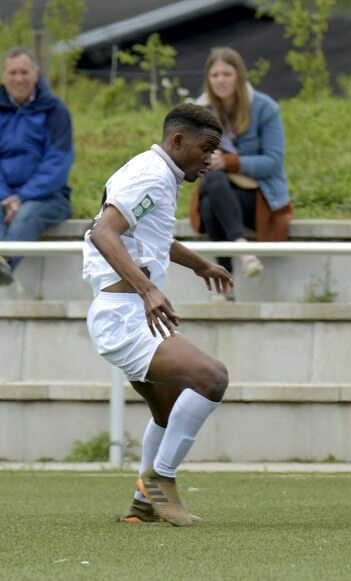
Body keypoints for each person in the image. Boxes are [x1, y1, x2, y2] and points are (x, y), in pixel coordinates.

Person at [83, 104, 232, 526]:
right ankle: (160, 482)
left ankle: (142, 506)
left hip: (124, 313)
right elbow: (103, 232)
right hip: (124, 316)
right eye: (206, 148)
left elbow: (146, 237)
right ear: (177, 141)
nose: (210, 159)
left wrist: (200, 264)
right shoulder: (151, 176)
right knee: (212, 378)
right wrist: (148, 289)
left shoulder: (155, 172)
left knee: (167, 411)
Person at [188, 47, 292, 293]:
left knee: (212, 192)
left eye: (227, 74)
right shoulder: (200, 112)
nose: (221, 81)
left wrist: (229, 162)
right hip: (219, 193)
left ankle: (225, 283)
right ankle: (241, 252)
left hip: (258, 199)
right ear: (208, 79)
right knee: (211, 190)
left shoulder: (265, 108)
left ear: (239, 76)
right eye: (215, 75)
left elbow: (273, 161)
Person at [0, 47, 73, 285]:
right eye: (12, 73)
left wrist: (21, 197)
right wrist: (6, 197)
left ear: (36, 74)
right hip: (3, 197)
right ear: (3, 75)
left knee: (26, 215)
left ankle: (4, 266)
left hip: (49, 197)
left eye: (24, 72)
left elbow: (57, 163)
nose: (19, 79)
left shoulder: (56, 111)